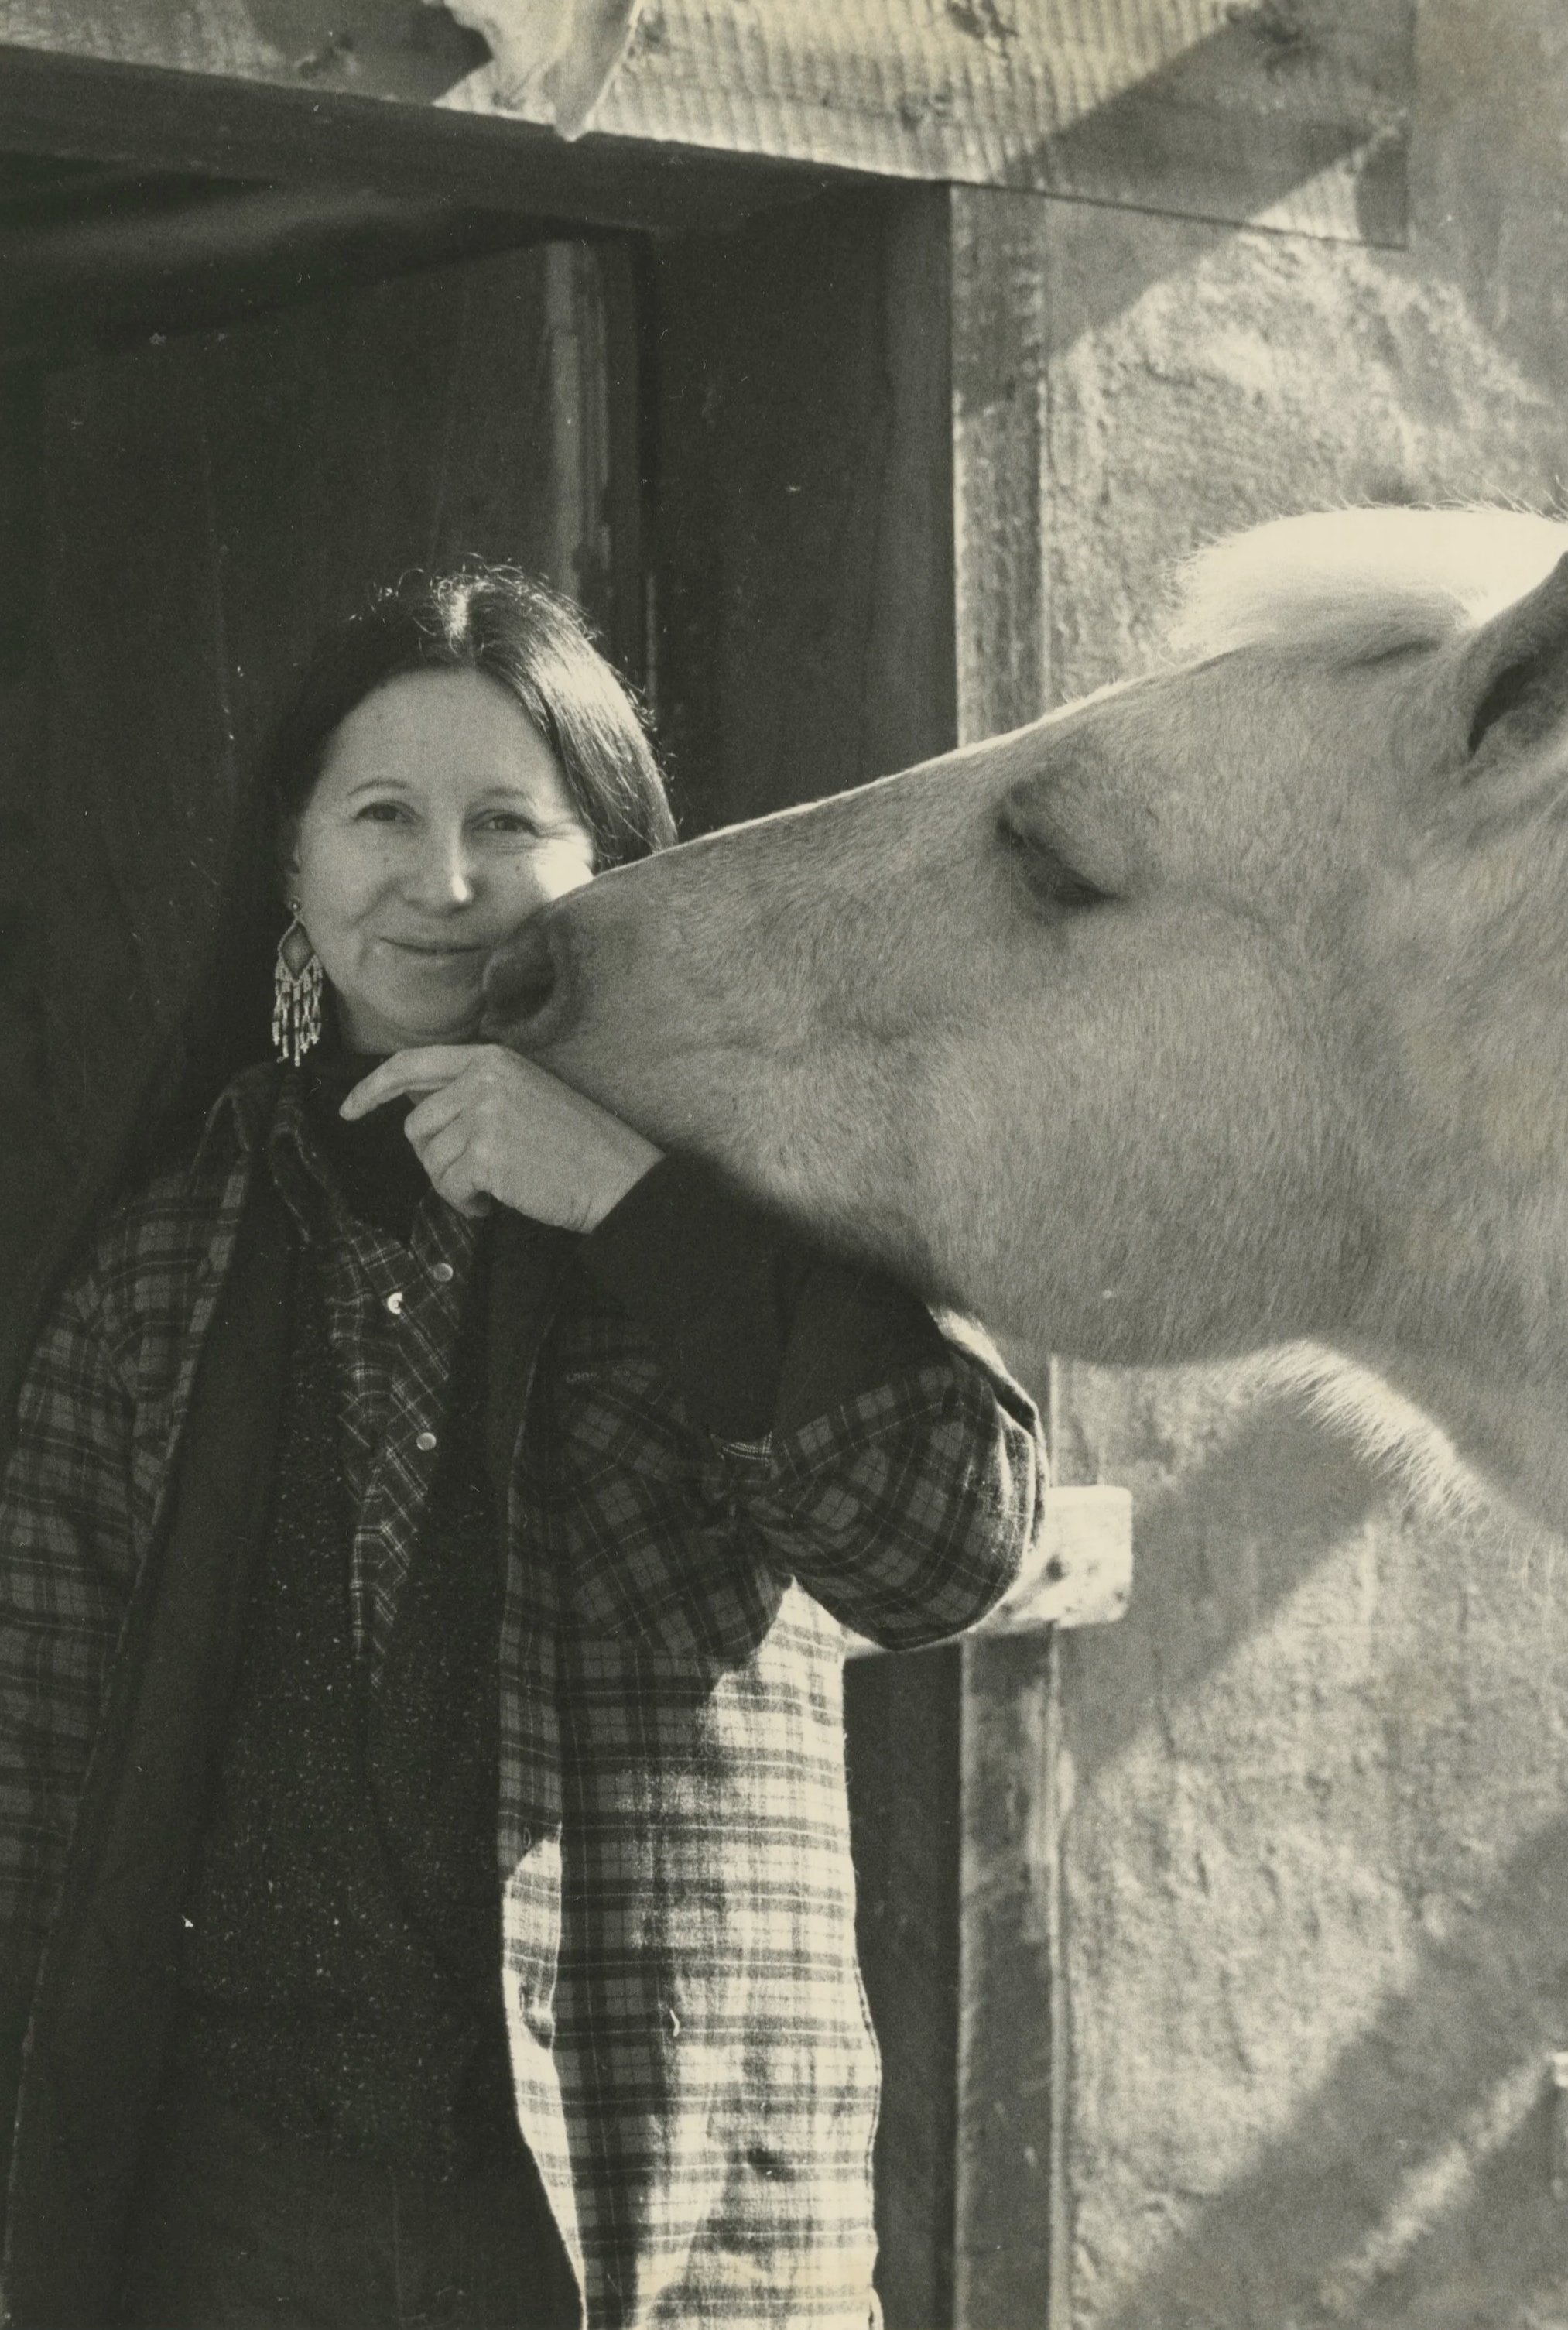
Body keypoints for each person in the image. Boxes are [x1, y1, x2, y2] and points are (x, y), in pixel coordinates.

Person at [0, 567, 1044, 2330]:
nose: (446, 881)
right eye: (382, 817)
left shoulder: (760, 1176)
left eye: (510, 821)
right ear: (291, 863)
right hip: (237, 2208)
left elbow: (942, 1548)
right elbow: (27, 1753)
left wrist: (626, 1201)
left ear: (613, 862)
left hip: (657, 2193)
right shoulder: (161, 1270)